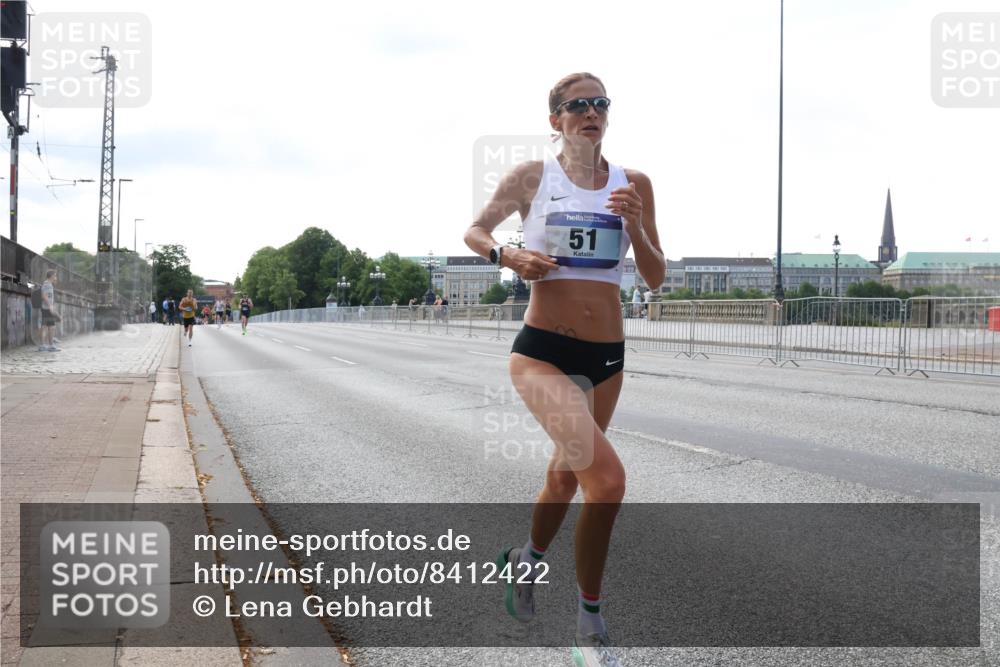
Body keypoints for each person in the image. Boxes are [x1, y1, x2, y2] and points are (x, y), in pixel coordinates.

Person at [464, 72, 664, 666]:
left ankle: (524, 561)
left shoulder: (636, 185)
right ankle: (589, 625)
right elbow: (474, 230)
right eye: (578, 105)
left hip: (606, 358)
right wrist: (508, 254)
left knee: (566, 477)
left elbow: (654, 275)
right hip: (543, 351)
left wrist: (635, 227)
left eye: (600, 103)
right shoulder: (533, 177)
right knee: (607, 481)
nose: (591, 112)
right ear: (556, 120)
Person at [38, 270, 61, 352]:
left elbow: (48, 297)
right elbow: (44, 296)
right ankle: (49, 345)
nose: (56, 278)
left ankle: (45, 345)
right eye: (55, 276)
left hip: (47, 308)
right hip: (47, 308)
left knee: (47, 326)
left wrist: (51, 305)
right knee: (50, 327)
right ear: (52, 276)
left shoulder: (49, 284)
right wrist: (50, 306)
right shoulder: (47, 284)